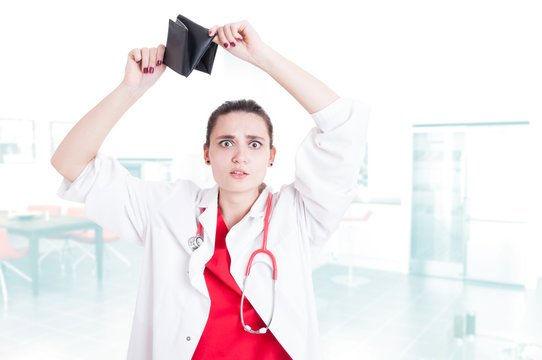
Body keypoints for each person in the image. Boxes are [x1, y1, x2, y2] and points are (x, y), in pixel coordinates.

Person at [51, 20, 369, 360]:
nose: (240, 156)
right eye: (226, 142)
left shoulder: (299, 213)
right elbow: (71, 164)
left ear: (272, 156)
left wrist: (263, 57)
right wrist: (130, 89)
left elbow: (344, 126)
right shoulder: (168, 208)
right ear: (207, 153)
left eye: (255, 144)